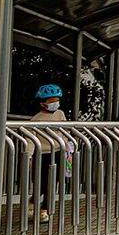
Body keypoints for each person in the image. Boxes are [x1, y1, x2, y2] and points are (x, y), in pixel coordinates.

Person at [30, 84, 69, 223]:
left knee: (53, 183)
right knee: (40, 182)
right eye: (52, 101)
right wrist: (29, 155)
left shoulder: (60, 114)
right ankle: (33, 202)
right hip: (42, 154)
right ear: (43, 103)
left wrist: (67, 145)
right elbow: (30, 139)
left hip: (58, 152)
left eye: (57, 100)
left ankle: (44, 210)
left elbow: (65, 130)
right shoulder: (36, 119)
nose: (55, 103)